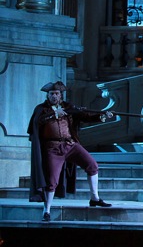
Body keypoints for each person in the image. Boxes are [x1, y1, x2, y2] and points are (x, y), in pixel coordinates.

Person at [28, 81, 115, 222]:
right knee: (52, 180)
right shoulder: (41, 109)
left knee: (92, 165)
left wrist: (102, 116)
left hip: (70, 145)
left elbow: (84, 116)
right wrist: (54, 114)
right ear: (47, 95)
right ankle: (47, 210)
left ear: (60, 95)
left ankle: (95, 198)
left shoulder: (68, 107)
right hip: (53, 148)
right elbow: (38, 122)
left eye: (56, 94)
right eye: (51, 94)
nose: (54, 96)